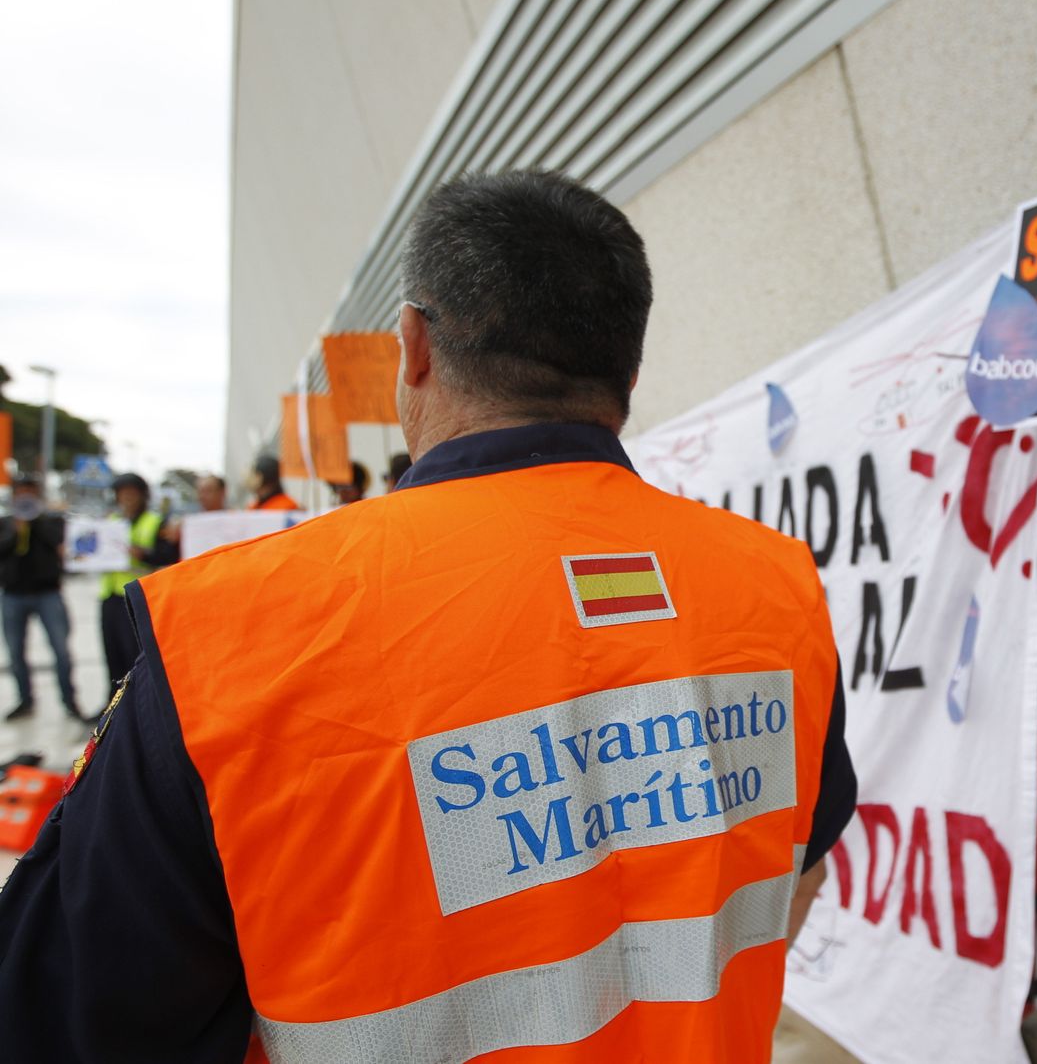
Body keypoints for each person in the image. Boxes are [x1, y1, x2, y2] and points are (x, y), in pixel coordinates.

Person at [0, 169, 856, 1063]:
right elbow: (801, 865)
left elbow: (64, 1020)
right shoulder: (775, 583)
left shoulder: (228, 634)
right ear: (630, 374)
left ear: (412, 345)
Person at [0, 477, 82, 722]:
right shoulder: (5, 523)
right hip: (13, 595)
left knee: (61, 650)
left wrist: (36, 521)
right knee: (15, 651)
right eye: (21, 494)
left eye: (31, 495)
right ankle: (25, 700)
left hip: (48, 594)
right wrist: (16, 530)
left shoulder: (50, 522)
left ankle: (69, 701)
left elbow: (60, 545)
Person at [97, 472, 176, 700]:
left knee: (135, 657)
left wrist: (144, 554)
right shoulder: (111, 521)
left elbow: (167, 553)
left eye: (132, 493)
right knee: (113, 654)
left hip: (137, 598)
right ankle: (112, 705)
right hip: (110, 595)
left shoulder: (156, 522)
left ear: (143, 495)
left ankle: (137, 703)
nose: (127, 498)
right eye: (123, 494)